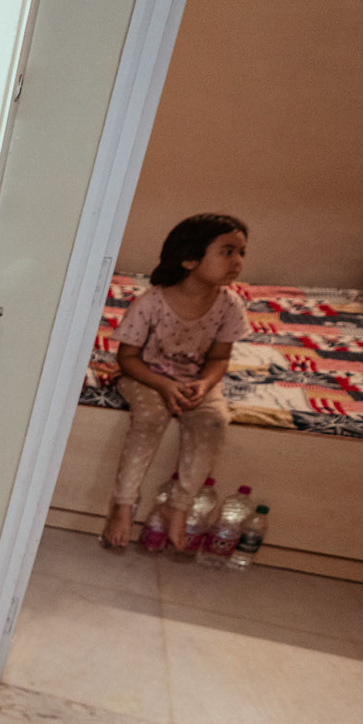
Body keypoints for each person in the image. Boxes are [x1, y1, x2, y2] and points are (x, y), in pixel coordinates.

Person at [101, 213, 251, 550]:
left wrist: (205, 384)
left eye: (241, 253)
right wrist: (164, 386)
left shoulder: (230, 304)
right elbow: (126, 359)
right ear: (189, 259)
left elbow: (219, 358)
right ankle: (122, 505)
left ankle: (178, 507)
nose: (237, 262)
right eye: (227, 252)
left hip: (194, 380)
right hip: (145, 374)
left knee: (213, 421)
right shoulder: (152, 302)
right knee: (150, 418)